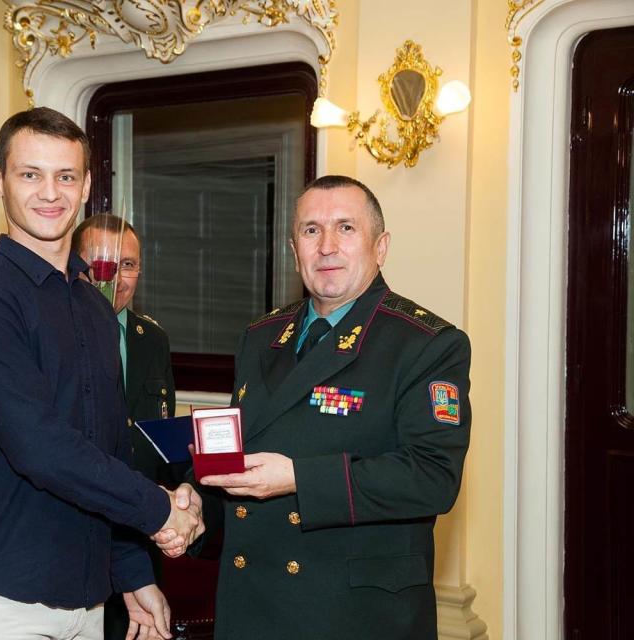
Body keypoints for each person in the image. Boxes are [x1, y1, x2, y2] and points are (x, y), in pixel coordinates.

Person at [0, 107, 203, 640]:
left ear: (86, 188)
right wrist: (160, 510)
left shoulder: (95, 307)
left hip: (86, 597)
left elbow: (107, 448)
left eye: (66, 176)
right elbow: (42, 447)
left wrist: (132, 573)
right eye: (29, 174)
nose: (49, 193)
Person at [197, 175, 472, 640]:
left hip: (352, 613)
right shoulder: (262, 336)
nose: (326, 246)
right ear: (293, 247)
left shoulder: (425, 344)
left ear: (380, 247)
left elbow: (432, 478)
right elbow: (238, 450)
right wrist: (192, 504)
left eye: (345, 228)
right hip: (253, 603)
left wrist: (298, 479)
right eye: (310, 230)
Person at [72, 214, 182, 640]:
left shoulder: (152, 339)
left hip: (141, 534)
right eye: (102, 263)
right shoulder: (60, 334)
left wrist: (183, 498)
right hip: (78, 531)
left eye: (129, 265)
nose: (115, 277)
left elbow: (160, 440)